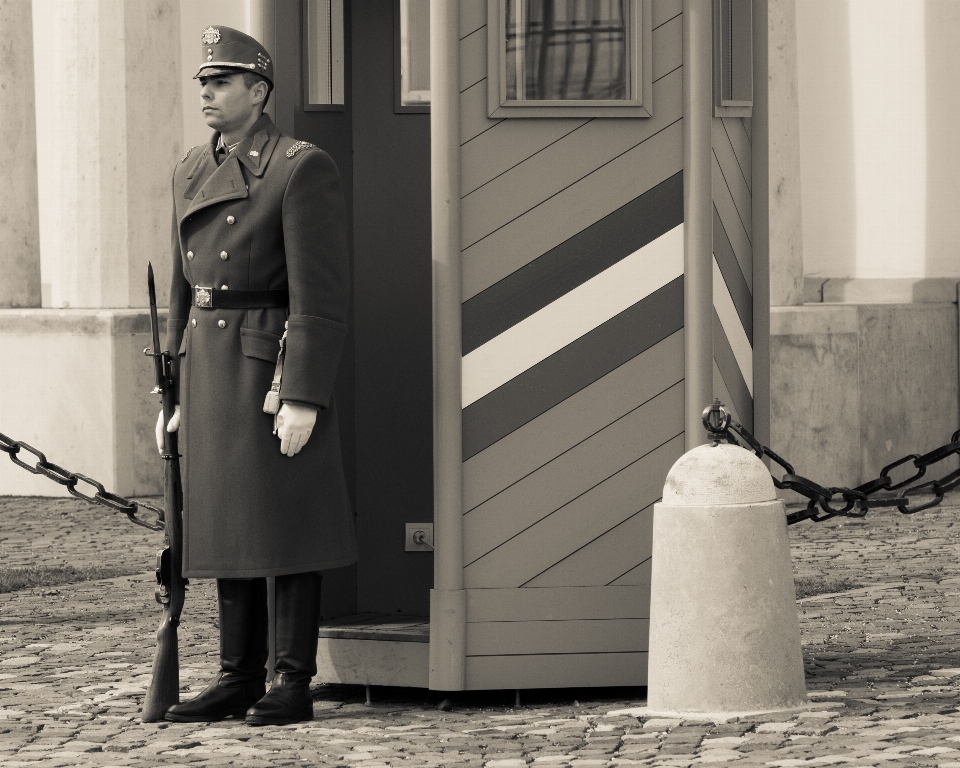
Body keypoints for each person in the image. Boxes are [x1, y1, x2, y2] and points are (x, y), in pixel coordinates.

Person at [155, 25, 356, 726]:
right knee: (225, 521)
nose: (207, 93)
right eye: (204, 83)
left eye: (221, 82)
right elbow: (183, 284)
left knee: (287, 520)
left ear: (258, 91)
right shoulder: (188, 167)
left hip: (265, 361)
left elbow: (320, 293)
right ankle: (237, 676)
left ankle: (291, 679)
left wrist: (304, 390)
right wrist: (172, 388)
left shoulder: (301, 166)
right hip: (208, 364)